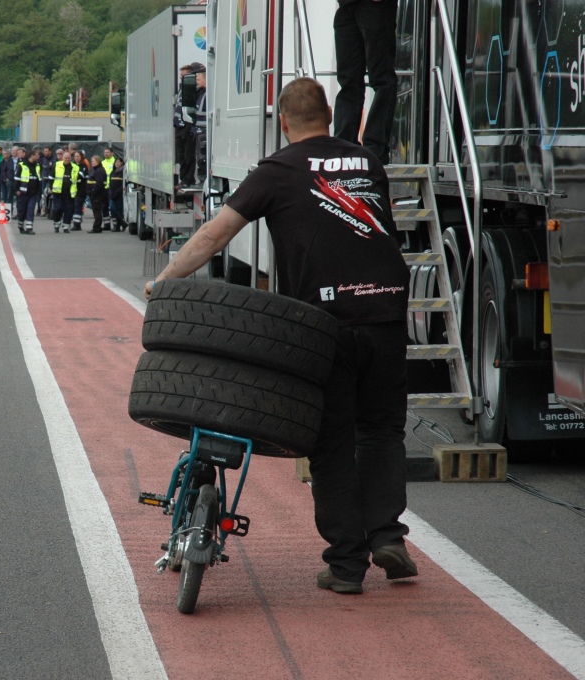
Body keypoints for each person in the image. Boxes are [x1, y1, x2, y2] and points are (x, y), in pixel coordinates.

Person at [144, 77, 417, 594]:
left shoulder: (277, 170)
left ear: (283, 121)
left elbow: (215, 233)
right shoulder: (367, 163)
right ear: (333, 118)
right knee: (381, 431)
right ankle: (389, 537)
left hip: (325, 324)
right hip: (385, 313)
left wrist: (166, 281)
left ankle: (346, 566)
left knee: (333, 443)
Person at [333, 0, 398, 165]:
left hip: (375, 5)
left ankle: (375, 148)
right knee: (348, 82)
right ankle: (343, 147)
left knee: (382, 79)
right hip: (346, 6)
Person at [174, 64, 197, 187]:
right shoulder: (182, 88)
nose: (181, 78)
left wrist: (188, 126)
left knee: (188, 154)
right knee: (181, 155)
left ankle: (188, 179)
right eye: (180, 76)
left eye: (183, 76)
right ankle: (183, 178)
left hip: (187, 125)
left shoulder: (191, 89)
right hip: (179, 125)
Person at [14, 146, 43, 234]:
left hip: (33, 193)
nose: (38, 157)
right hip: (23, 193)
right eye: (37, 155)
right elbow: (17, 178)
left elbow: (39, 179)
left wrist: (39, 190)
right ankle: (20, 226)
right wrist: (17, 190)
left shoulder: (38, 166)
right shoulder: (22, 165)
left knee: (31, 210)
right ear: (32, 156)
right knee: (22, 211)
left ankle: (29, 228)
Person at [49, 151, 77, 233]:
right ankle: (56, 224)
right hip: (58, 192)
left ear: (71, 158)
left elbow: (77, 181)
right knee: (57, 209)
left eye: (69, 158)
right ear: (62, 158)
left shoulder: (75, 167)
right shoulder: (57, 165)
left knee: (69, 210)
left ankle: (66, 226)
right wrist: (51, 188)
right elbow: (51, 178)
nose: (67, 160)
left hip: (70, 193)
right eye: (66, 158)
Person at [193, 65, 208, 185]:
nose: (196, 83)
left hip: (203, 131)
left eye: (198, 80)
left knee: (202, 157)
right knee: (200, 156)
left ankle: (203, 179)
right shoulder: (201, 93)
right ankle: (202, 179)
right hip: (199, 131)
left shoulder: (207, 95)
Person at [86, 155, 110, 233]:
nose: (93, 163)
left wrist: (93, 191)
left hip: (97, 194)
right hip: (96, 194)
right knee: (96, 211)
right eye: (92, 161)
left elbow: (99, 183)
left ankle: (97, 227)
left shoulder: (99, 171)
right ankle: (97, 227)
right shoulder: (97, 170)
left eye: (94, 161)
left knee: (97, 212)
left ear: (98, 161)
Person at [71, 150, 90, 231]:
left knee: (78, 206)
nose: (76, 158)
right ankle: (76, 223)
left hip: (81, 189)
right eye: (75, 156)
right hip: (73, 189)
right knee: (74, 206)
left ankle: (77, 225)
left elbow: (80, 176)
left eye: (78, 156)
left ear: (81, 157)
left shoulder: (83, 165)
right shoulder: (72, 165)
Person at [108, 156, 126, 231]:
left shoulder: (123, 172)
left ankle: (118, 226)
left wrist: (117, 192)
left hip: (119, 195)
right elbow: (110, 183)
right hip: (112, 194)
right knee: (112, 208)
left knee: (119, 210)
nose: (117, 163)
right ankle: (123, 223)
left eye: (119, 162)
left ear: (122, 163)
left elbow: (123, 184)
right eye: (116, 162)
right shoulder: (113, 172)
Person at [101, 147, 116, 229]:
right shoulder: (102, 162)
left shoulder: (115, 162)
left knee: (112, 207)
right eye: (105, 152)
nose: (106, 154)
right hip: (104, 188)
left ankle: (115, 224)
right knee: (104, 207)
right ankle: (106, 224)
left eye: (107, 152)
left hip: (112, 188)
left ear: (112, 153)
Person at [38, 146, 55, 217]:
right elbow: (39, 168)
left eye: (47, 151)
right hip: (44, 180)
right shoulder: (42, 159)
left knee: (51, 194)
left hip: (51, 180)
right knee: (43, 195)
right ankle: (43, 209)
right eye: (44, 151)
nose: (45, 153)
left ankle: (51, 209)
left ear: (50, 151)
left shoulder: (54, 159)